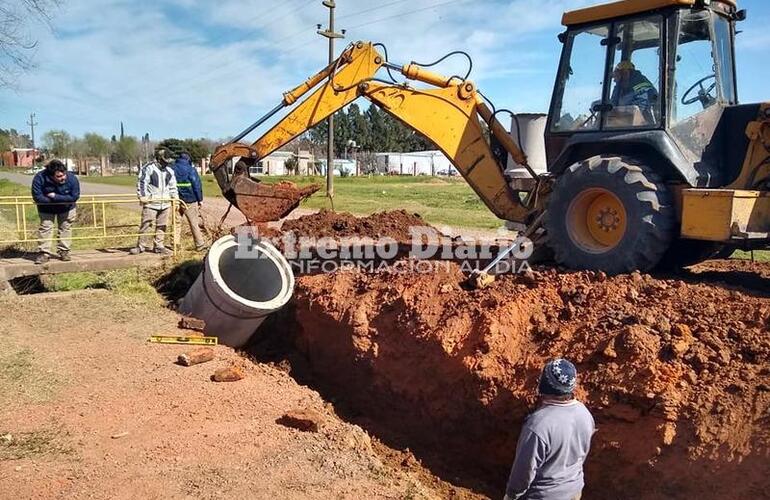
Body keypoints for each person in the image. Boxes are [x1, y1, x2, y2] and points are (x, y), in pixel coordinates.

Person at [504, 358, 595, 500]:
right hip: (573, 492)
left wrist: (511, 495)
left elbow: (524, 471)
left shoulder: (538, 425)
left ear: (545, 385)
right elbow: (581, 455)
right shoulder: (584, 414)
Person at [129, 148, 178, 255]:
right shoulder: (148, 168)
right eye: (165, 161)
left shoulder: (169, 171)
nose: (166, 163)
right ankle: (141, 246)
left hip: (165, 203)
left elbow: (173, 187)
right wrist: (142, 196)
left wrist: (176, 199)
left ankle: (159, 246)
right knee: (146, 225)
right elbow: (142, 183)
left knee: (162, 226)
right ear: (159, 159)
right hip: (151, 204)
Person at [31, 159, 80, 264]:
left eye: (64, 175)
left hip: (67, 208)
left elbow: (74, 197)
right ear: (50, 176)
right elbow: (37, 197)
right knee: (45, 228)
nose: (63, 178)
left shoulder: (72, 179)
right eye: (59, 177)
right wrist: (53, 200)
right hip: (46, 208)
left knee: (65, 228)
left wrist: (55, 197)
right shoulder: (39, 178)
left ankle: (64, 251)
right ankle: (44, 253)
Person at [172, 152, 206, 251]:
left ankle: (175, 244)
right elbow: (196, 185)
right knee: (193, 223)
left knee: (176, 223)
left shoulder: (172, 168)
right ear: (188, 159)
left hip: (176, 199)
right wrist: (200, 199)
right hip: (190, 200)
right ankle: (199, 245)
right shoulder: (191, 169)